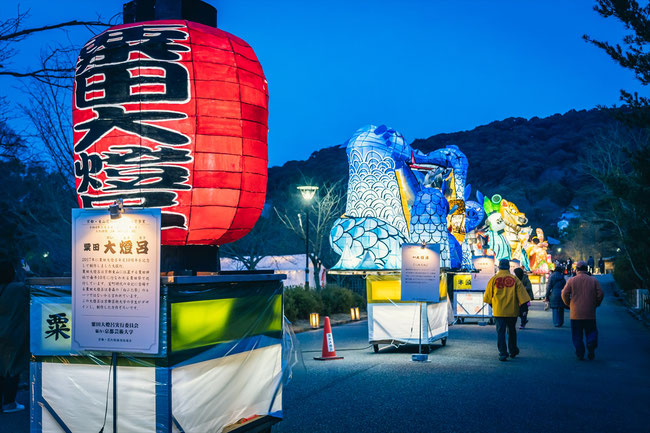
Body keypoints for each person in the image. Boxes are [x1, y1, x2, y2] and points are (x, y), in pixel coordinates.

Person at [484, 259, 531, 361]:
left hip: (498, 311)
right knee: (512, 331)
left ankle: (502, 353)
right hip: (512, 311)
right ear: (509, 267)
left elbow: (487, 297)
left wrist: (494, 306)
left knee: (500, 332)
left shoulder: (493, 279)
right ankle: (513, 350)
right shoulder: (515, 279)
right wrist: (522, 309)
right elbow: (523, 297)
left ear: (499, 267)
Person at [0, 260, 29, 413]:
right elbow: (36, 287)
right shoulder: (18, 289)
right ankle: (9, 403)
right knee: (12, 367)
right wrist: (28, 271)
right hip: (13, 335)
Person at [561, 261, 604, 361]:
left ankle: (580, 352)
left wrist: (568, 304)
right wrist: (596, 303)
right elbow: (600, 294)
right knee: (591, 331)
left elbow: (564, 294)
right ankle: (591, 343)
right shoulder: (594, 280)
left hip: (575, 313)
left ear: (577, 270)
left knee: (577, 334)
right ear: (586, 269)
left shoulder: (571, 281)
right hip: (590, 313)